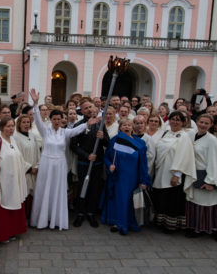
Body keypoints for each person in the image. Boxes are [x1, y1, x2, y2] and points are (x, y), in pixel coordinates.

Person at [29, 89, 98, 230]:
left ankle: (56, 219)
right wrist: (35, 104)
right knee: (44, 190)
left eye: (59, 119)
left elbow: (76, 131)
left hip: (60, 165)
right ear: (51, 120)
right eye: (54, 119)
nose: (56, 121)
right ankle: (42, 219)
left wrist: (88, 124)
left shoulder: (65, 132)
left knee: (57, 191)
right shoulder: (45, 131)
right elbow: (36, 119)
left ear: (62, 120)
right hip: (46, 164)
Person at [101, 118, 151, 235]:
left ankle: (128, 223)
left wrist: (144, 180)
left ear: (132, 127)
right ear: (120, 127)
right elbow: (107, 157)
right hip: (118, 176)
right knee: (119, 199)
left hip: (134, 177)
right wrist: (109, 166)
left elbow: (143, 163)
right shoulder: (115, 141)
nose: (127, 127)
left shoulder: (140, 143)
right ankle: (118, 223)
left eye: (129, 125)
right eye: (124, 125)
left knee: (130, 201)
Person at [0, 117, 30, 242]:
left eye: (12, 126)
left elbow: (18, 158)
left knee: (14, 205)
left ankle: (12, 231)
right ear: (1, 128)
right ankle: (2, 234)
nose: (11, 129)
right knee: (4, 208)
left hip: (15, 181)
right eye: (8, 126)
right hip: (4, 181)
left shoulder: (12, 140)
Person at [184, 114, 217, 242]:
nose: (203, 125)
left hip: (208, 174)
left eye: (206, 123)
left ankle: (214, 230)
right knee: (196, 203)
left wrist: (210, 181)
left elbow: (215, 161)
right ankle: (196, 228)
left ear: (211, 125)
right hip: (194, 173)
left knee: (210, 204)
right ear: (197, 122)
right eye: (201, 122)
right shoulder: (191, 135)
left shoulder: (212, 140)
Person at [152, 111, 196, 233]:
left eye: (178, 120)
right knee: (162, 197)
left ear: (183, 122)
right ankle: (160, 222)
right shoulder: (166, 134)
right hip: (161, 170)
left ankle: (170, 226)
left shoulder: (184, 137)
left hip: (174, 173)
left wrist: (177, 175)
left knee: (172, 199)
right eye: (172, 119)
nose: (175, 122)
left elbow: (184, 157)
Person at [70, 98, 109, 228]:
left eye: (90, 107)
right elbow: (73, 146)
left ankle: (91, 213)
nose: (89, 110)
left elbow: (107, 143)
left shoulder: (101, 124)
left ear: (94, 108)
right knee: (82, 187)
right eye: (85, 108)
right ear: (81, 111)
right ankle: (81, 213)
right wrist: (87, 156)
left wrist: (103, 138)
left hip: (97, 163)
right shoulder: (78, 125)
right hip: (84, 163)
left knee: (94, 188)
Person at [13, 114, 40, 219]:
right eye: (23, 122)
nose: (26, 124)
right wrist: (29, 168)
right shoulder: (15, 137)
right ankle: (23, 217)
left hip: (35, 170)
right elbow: (17, 155)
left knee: (33, 194)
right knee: (25, 194)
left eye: (28, 122)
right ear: (19, 124)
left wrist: (37, 165)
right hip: (25, 171)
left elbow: (38, 151)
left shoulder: (32, 135)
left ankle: (32, 215)